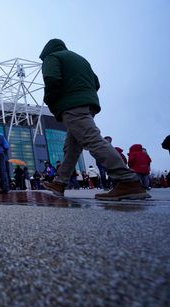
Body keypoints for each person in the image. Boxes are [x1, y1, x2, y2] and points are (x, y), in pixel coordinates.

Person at [39, 38, 149, 200]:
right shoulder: (79, 59)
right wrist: (84, 94)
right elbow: (96, 82)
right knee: (72, 148)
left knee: (92, 140)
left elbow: (52, 79)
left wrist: (51, 101)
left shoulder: (52, 57)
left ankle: (127, 181)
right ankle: (60, 182)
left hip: (71, 105)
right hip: (87, 103)